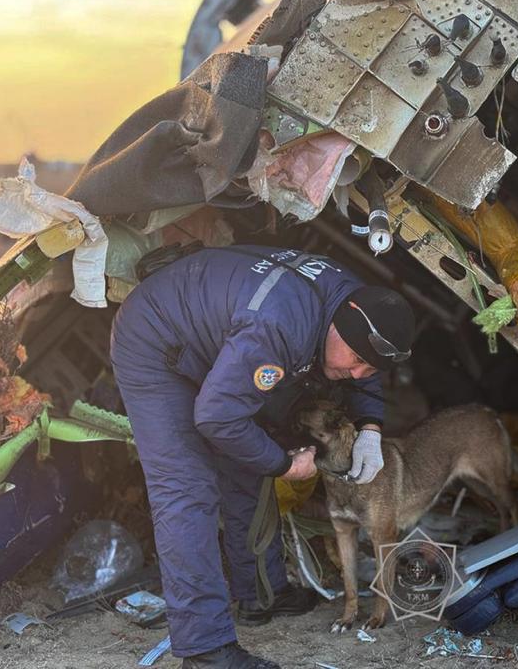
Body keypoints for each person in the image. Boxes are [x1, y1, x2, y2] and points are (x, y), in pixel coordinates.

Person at [110, 244, 416, 669]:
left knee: (246, 461)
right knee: (186, 489)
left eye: (372, 368)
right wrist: (286, 465)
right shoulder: (278, 328)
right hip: (156, 340)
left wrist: (370, 427)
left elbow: (364, 366)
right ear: (338, 328)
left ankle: (261, 593)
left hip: (217, 333)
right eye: (358, 361)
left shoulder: (352, 301)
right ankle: (205, 650)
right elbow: (217, 418)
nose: (359, 374)